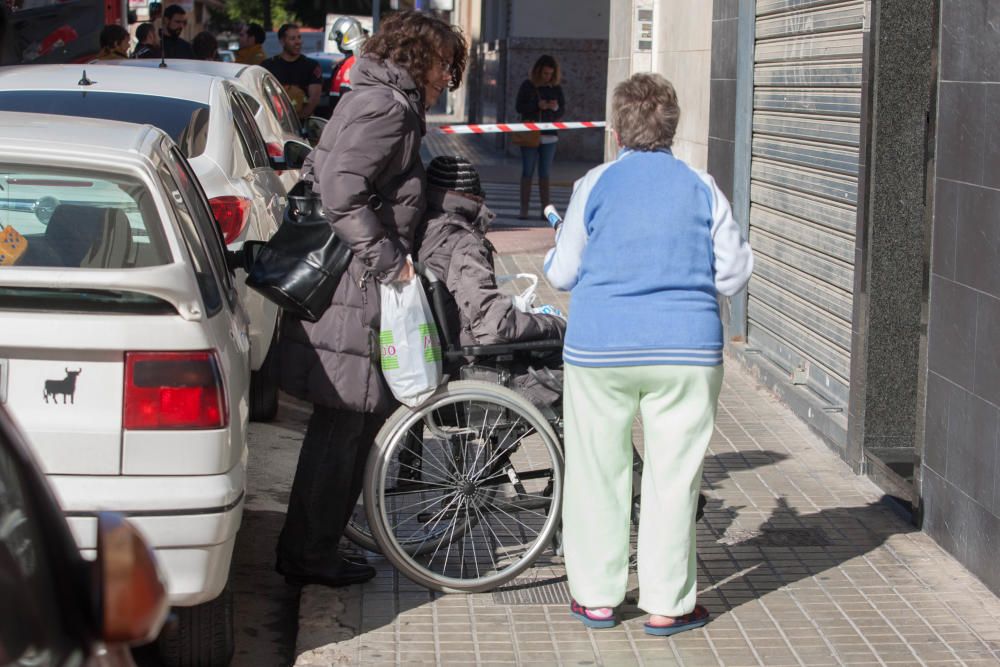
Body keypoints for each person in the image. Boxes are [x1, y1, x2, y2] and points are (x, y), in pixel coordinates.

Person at [544, 73, 753, 636]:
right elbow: (733, 274)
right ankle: (668, 604)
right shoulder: (702, 186)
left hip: (599, 349)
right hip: (686, 351)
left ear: (616, 131)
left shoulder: (594, 184)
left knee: (597, 471)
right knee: (674, 477)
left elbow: (563, 273)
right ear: (673, 129)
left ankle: (597, 598)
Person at [275, 10, 467, 589]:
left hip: (353, 287)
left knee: (344, 427)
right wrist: (391, 260)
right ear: (422, 57)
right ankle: (310, 555)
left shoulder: (379, 96)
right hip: (356, 288)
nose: (447, 79)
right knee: (344, 429)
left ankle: (311, 549)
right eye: (445, 65)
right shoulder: (388, 105)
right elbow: (340, 190)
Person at [417, 155, 566, 349]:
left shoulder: (422, 228)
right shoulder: (463, 244)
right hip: (469, 353)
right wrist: (554, 323)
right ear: (473, 197)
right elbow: (495, 325)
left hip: (438, 343)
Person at [515, 55, 565, 220]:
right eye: (544, 73)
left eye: (550, 74)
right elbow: (519, 107)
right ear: (538, 71)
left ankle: (545, 209)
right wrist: (537, 106)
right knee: (527, 171)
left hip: (550, 135)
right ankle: (524, 210)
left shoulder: (556, 88)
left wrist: (555, 107)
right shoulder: (528, 86)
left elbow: (562, 110)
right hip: (530, 134)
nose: (547, 77)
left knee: (545, 173)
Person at [262, 24, 323, 121]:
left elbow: (314, 99)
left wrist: (298, 121)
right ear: (282, 41)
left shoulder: (311, 66)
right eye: (292, 38)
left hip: (303, 125)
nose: (298, 42)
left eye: (299, 37)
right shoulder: (268, 66)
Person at [328, 15, 366, 110]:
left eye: (338, 39)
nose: (337, 43)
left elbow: (347, 101)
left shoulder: (353, 64)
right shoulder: (347, 63)